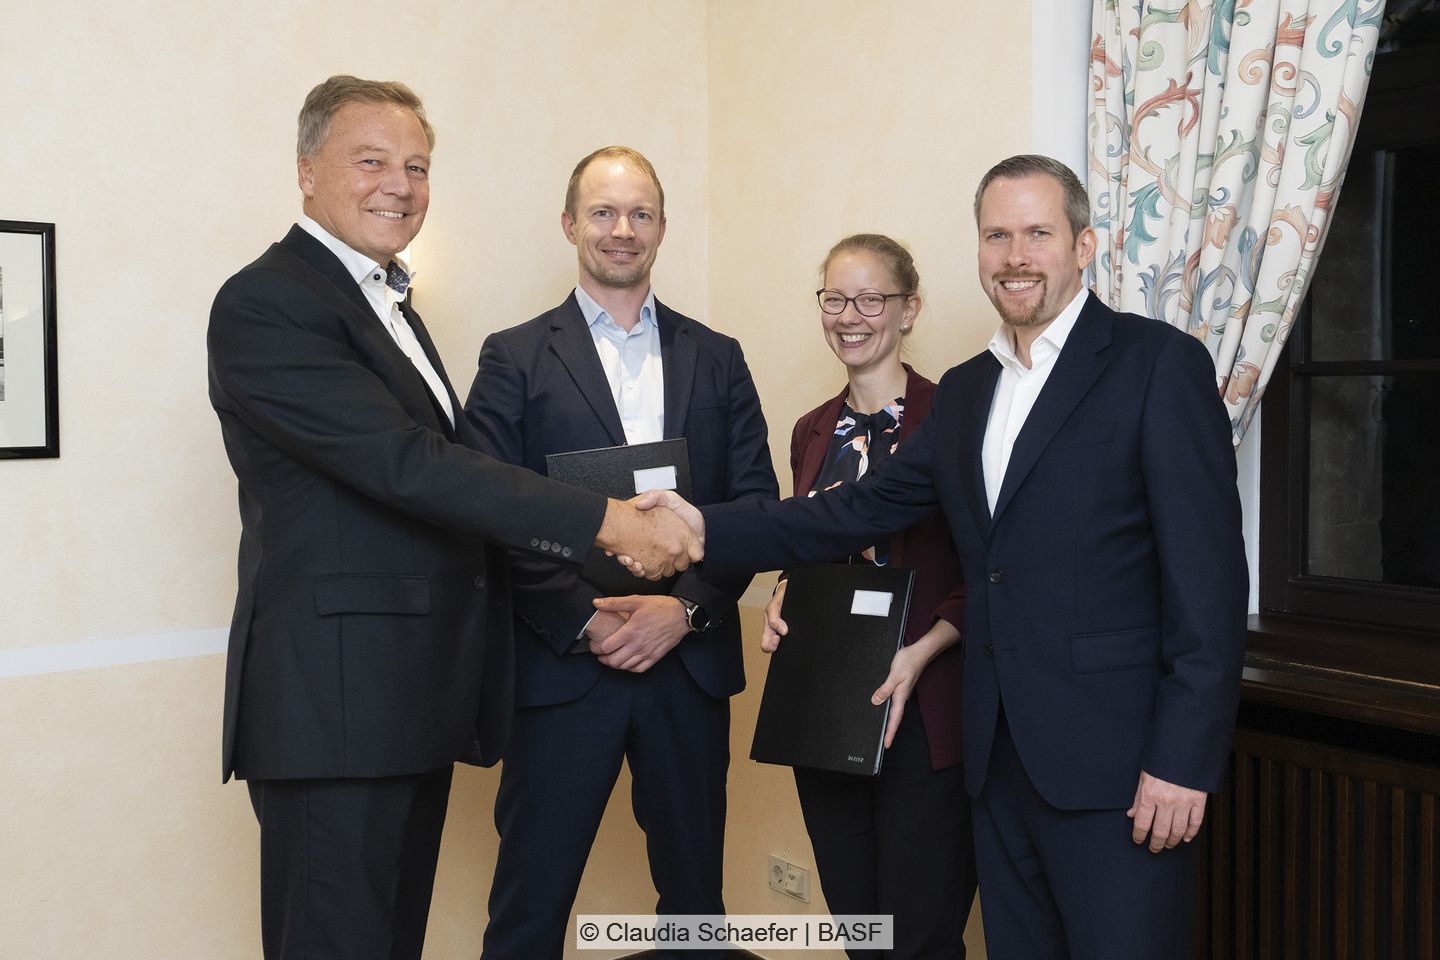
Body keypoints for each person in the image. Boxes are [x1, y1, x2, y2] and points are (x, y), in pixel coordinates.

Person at [639, 155, 1248, 960]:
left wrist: (1182, 762)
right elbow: (855, 510)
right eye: (997, 235)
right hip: (994, 769)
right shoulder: (968, 391)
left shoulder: (1156, 365)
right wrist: (704, 530)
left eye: (1038, 232)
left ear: (1086, 244)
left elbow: (1208, 583)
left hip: (1119, 774)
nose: (1016, 255)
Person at [207, 79, 698, 960]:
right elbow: (414, 468)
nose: (399, 184)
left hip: (402, 699)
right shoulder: (267, 303)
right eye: (372, 161)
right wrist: (609, 525)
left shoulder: (386, 301)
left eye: (418, 166)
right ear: (306, 171)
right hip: (335, 709)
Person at [464, 146, 778, 959]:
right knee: (530, 905)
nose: (622, 229)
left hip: (687, 666)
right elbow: (488, 509)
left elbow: (754, 508)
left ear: (663, 228)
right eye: (603, 212)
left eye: (640, 213)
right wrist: (586, 623)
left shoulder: (719, 356)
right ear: (570, 224)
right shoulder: (514, 357)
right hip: (562, 669)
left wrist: (685, 610)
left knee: (695, 910)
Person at [762, 234, 975, 959]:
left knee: (919, 939)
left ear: (908, 309)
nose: (850, 315)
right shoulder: (811, 432)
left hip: (926, 708)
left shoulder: (958, 421)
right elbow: (814, 544)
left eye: (870, 298)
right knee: (863, 933)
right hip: (826, 712)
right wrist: (784, 593)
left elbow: (997, 573)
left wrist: (924, 650)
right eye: (834, 298)